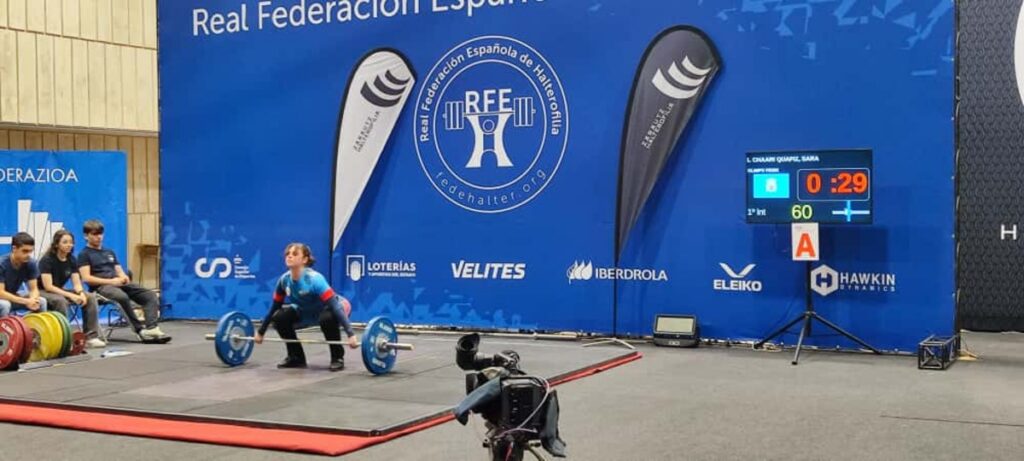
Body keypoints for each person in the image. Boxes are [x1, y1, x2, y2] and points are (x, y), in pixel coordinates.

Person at [255, 243, 358, 371]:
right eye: (288, 254)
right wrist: (261, 332)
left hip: (336, 307)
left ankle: (337, 357)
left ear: (304, 259)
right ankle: (296, 357)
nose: (289, 256)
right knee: (279, 317)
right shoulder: (284, 280)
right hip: (306, 312)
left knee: (327, 318)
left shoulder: (315, 279)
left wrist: (351, 334)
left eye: (294, 254)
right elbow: (275, 307)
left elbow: (335, 306)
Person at [77, 220, 170, 343]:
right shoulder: (84, 254)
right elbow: (86, 278)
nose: (98, 237)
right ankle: (140, 331)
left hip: (118, 284)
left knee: (149, 295)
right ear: (86, 236)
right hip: (101, 288)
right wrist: (112, 282)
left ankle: (152, 328)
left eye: (100, 234)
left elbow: (119, 270)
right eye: (94, 234)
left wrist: (124, 277)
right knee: (122, 297)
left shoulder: (109, 252)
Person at [38, 229, 107, 348]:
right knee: (61, 301)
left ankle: (91, 337)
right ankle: (65, 338)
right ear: (56, 244)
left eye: (71, 242)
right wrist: (70, 295)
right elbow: (48, 286)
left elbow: (76, 282)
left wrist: (80, 293)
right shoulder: (47, 260)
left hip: (58, 290)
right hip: (42, 291)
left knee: (89, 297)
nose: (69, 245)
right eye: (65, 242)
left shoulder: (71, 259)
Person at [0, 232, 48, 317]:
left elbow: (34, 289)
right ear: (14, 248)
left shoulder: (31, 263)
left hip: (12, 297)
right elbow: (1, 293)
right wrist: (25, 301)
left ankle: (34, 329)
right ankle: (4, 330)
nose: (28, 255)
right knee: (5, 305)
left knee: (41, 302)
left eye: (30, 251)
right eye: (25, 251)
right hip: (3, 299)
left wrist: (33, 299)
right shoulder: (2, 264)